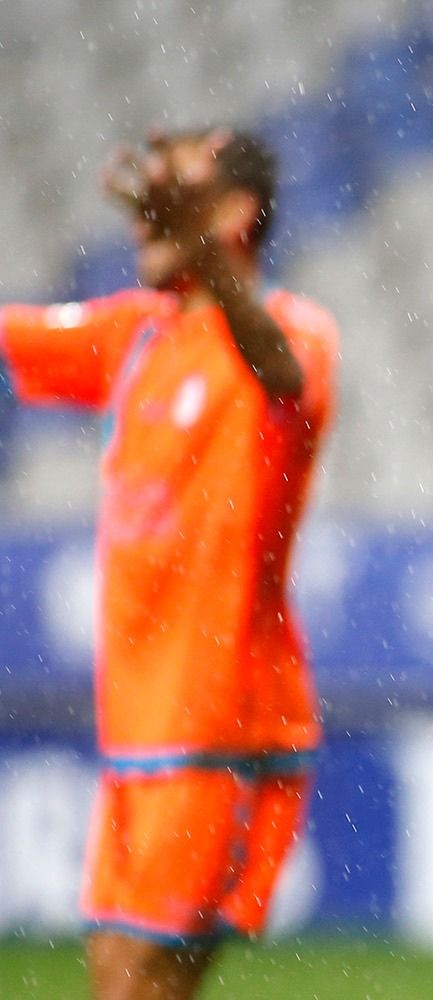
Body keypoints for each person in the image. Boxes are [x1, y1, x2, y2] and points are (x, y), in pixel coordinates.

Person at [0, 128, 337, 1000]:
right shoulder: (135, 337)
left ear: (232, 214)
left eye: (177, 194)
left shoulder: (296, 333)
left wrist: (204, 257)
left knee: (140, 990)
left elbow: (279, 370)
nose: (147, 213)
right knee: (116, 980)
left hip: (222, 722)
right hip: (136, 730)